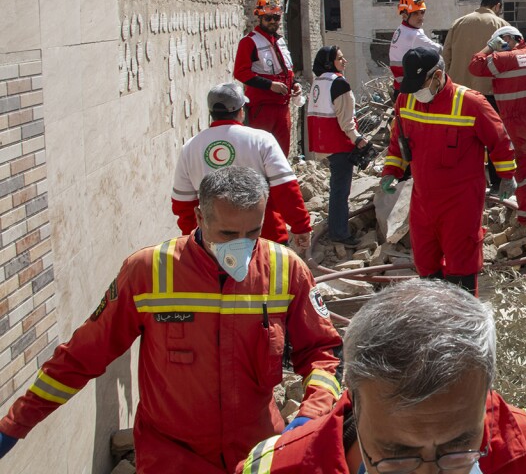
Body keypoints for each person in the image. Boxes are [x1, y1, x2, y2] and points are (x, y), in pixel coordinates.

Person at [0, 167, 342, 471]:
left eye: (252, 232)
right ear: (199, 218)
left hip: (255, 453)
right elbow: (82, 355)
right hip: (171, 457)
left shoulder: (284, 269)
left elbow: (322, 351)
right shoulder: (148, 271)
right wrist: (14, 424)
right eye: (226, 234)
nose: (242, 246)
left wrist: (313, 411)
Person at [236, 278, 526, 474]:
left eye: (457, 448)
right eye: (397, 456)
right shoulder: (278, 468)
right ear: (354, 402)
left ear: (485, 391)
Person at [380, 48, 517, 296]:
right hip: (422, 204)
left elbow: (499, 140)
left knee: (461, 269)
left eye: (419, 85)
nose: (415, 93)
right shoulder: (406, 99)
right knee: (425, 267)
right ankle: (435, 322)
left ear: (438, 76)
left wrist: (507, 174)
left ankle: (462, 324)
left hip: (461, 205)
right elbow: (398, 141)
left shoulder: (471, 103)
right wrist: (391, 170)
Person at [172, 82, 311, 248]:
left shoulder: (190, 147)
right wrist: (301, 226)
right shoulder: (262, 140)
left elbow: (183, 204)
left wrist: (195, 242)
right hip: (264, 238)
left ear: (211, 113)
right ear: (241, 111)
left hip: (213, 244)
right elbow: (286, 189)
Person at [469, 25, 526, 233]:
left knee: (524, 172)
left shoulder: (503, 60)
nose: (497, 49)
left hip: (518, 123)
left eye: (499, 43)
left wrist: (489, 48)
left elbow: (475, 66)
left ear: (507, 38)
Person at [308, 47, 371, 245]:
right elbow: (346, 121)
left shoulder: (319, 82)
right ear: (329, 62)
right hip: (339, 142)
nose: (345, 62)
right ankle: (340, 233)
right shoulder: (339, 84)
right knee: (340, 190)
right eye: (340, 58)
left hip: (324, 142)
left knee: (337, 187)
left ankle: (336, 225)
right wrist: (358, 139)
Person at [234, 0, 302, 153]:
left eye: (276, 17)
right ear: (260, 18)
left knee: (281, 153)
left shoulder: (280, 41)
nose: (273, 21)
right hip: (262, 107)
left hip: (282, 108)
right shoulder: (249, 41)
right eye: (268, 18)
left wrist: (295, 84)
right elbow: (240, 72)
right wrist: (270, 85)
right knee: (259, 152)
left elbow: (286, 68)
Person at [444, 0, 507, 97]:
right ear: (498, 6)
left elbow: (446, 54)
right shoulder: (502, 25)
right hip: (487, 90)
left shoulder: (458, 22)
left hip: (458, 89)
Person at [388, 0, 440, 95]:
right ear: (404, 16)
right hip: (410, 89)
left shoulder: (401, 29)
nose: (421, 17)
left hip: (400, 87)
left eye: (422, 12)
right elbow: (441, 50)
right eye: (415, 13)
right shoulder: (413, 34)